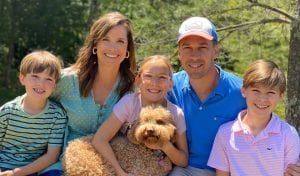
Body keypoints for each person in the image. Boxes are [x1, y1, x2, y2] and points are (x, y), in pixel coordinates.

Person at [168, 16, 300, 176]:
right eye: (187, 47)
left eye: (202, 47)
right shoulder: (168, 86)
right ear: (179, 53)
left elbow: (268, 121)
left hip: (226, 171)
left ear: (216, 51)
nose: (194, 55)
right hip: (182, 168)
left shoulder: (240, 91)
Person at [49, 12, 137, 173]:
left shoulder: (133, 88)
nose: (112, 47)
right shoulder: (68, 80)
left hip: (114, 166)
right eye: (106, 39)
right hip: (65, 164)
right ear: (95, 45)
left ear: (127, 51)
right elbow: (31, 101)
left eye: (120, 41)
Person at [92, 55, 188, 176]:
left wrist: (165, 146)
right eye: (148, 76)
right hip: (123, 167)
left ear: (170, 84)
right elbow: (100, 139)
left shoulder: (175, 113)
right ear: (138, 80)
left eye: (162, 77)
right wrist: (119, 172)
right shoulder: (129, 103)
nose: (154, 83)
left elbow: (183, 160)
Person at [207, 59, 300, 176]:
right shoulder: (225, 133)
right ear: (244, 91)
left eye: (270, 92)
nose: (262, 99)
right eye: (256, 90)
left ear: (281, 96)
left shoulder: (288, 134)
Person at [0, 51, 67, 176]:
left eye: (48, 79)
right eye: (35, 76)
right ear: (22, 78)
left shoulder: (57, 116)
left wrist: (16, 173)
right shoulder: (7, 112)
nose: (41, 84)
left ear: (55, 85)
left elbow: (52, 156)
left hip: (30, 170)